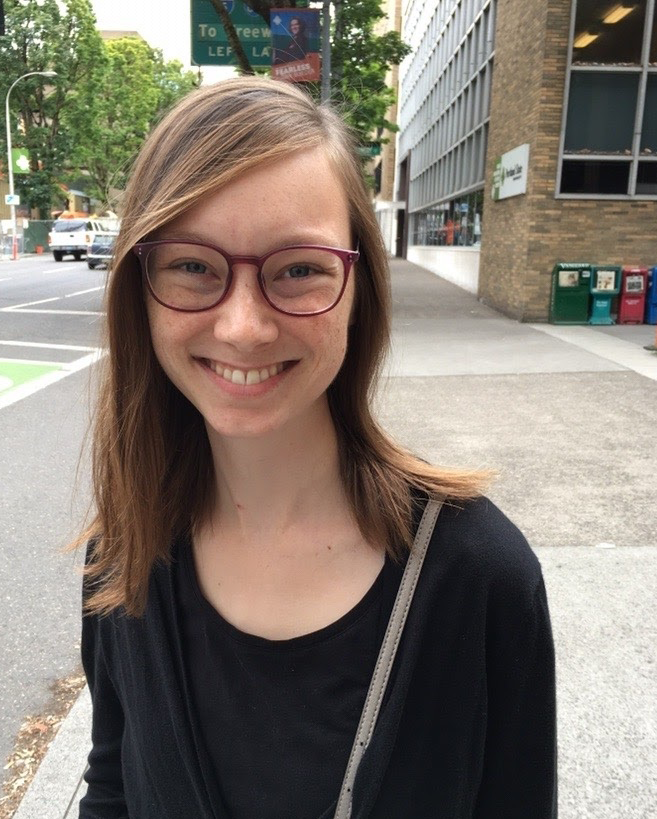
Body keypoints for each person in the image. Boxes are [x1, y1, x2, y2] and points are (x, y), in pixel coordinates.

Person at [76, 77, 557, 818]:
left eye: (299, 269)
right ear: (138, 287)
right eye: (192, 266)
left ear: (359, 285)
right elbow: (111, 785)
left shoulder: (481, 578)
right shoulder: (123, 552)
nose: (242, 327)